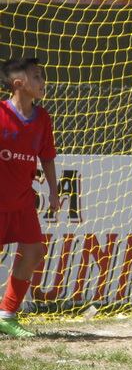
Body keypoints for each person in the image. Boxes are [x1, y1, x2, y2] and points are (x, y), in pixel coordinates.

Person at [0, 57, 59, 338]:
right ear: (18, 84)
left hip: (23, 201)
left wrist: (54, 192)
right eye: (37, 77)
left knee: (34, 251)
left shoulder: (43, 118)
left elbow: (47, 157)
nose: (43, 82)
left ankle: (7, 315)